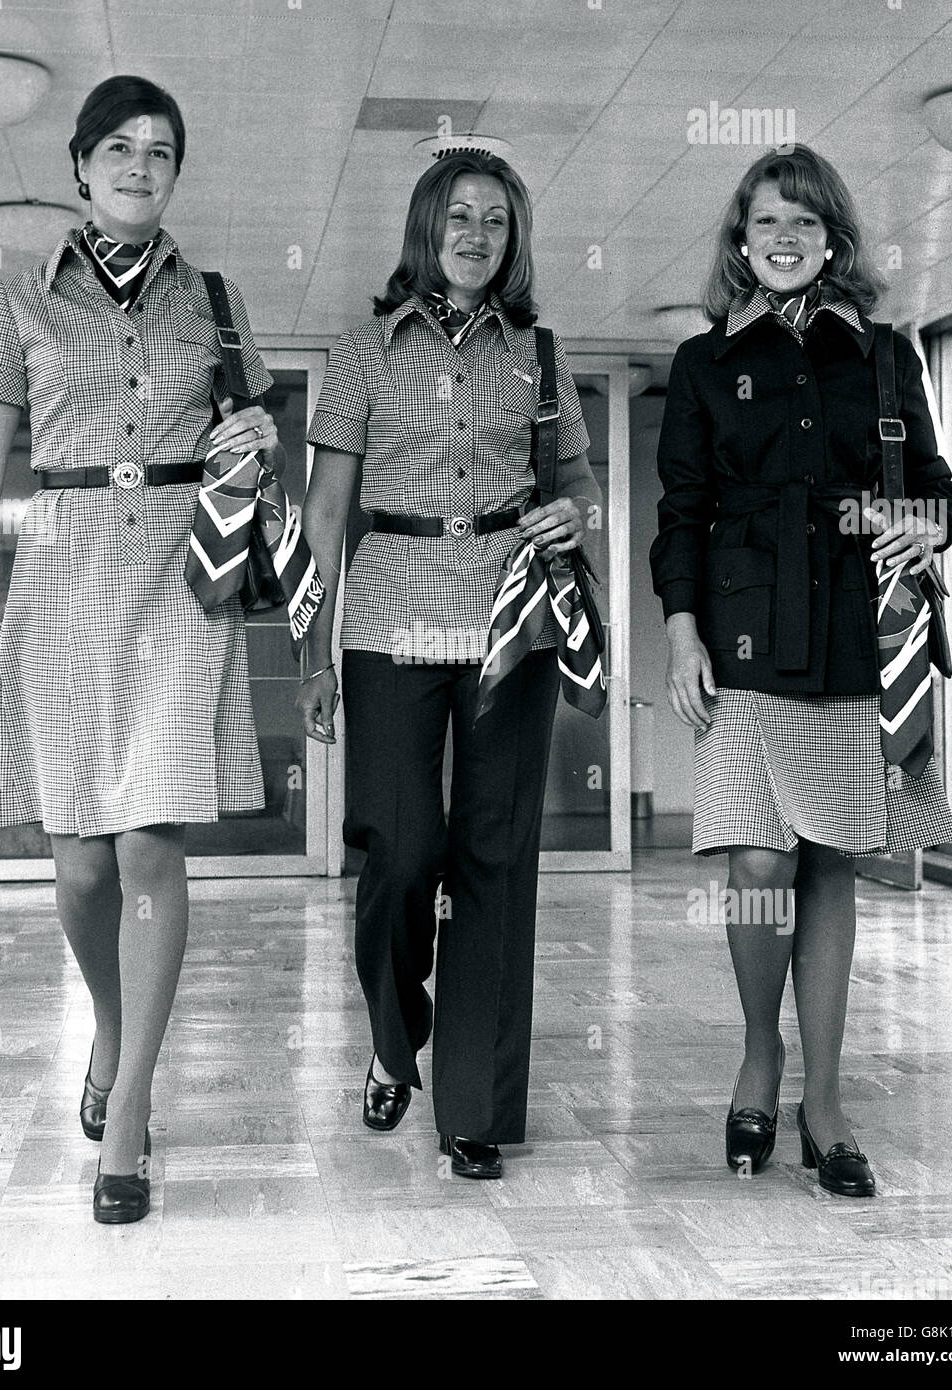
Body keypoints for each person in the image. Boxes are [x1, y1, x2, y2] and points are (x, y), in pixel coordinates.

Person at [0, 75, 278, 1224]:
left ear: (175, 176)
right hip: (62, 573)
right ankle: (113, 1028)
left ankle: (128, 1125)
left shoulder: (214, 303)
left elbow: (259, 456)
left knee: (148, 857)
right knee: (78, 867)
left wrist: (256, 443)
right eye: (117, 147)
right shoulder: (18, 298)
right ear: (79, 165)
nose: (138, 166)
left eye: (161, 153)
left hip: (179, 583)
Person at [650, 144, 952, 1197]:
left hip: (850, 644)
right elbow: (679, 515)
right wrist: (681, 631)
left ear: (834, 241)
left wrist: (918, 530)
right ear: (741, 241)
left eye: (805, 223)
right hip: (738, 647)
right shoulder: (700, 364)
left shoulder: (882, 356)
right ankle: (758, 1052)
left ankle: (823, 1100)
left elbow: (936, 496)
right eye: (766, 221)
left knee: (828, 862)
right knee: (756, 867)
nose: (784, 239)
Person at [299, 150, 598, 1178]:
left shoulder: (543, 358)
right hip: (388, 612)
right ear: (425, 228)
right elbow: (325, 513)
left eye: (496, 222)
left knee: (494, 855)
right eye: (457, 217)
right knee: (400, 842)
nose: (476, 235)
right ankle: (395, 1038)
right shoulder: (359, 353)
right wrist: (312, 651)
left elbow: (581, 489)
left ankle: (471, 1105)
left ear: (513, 242)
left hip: (513, 620)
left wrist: (573, 513)